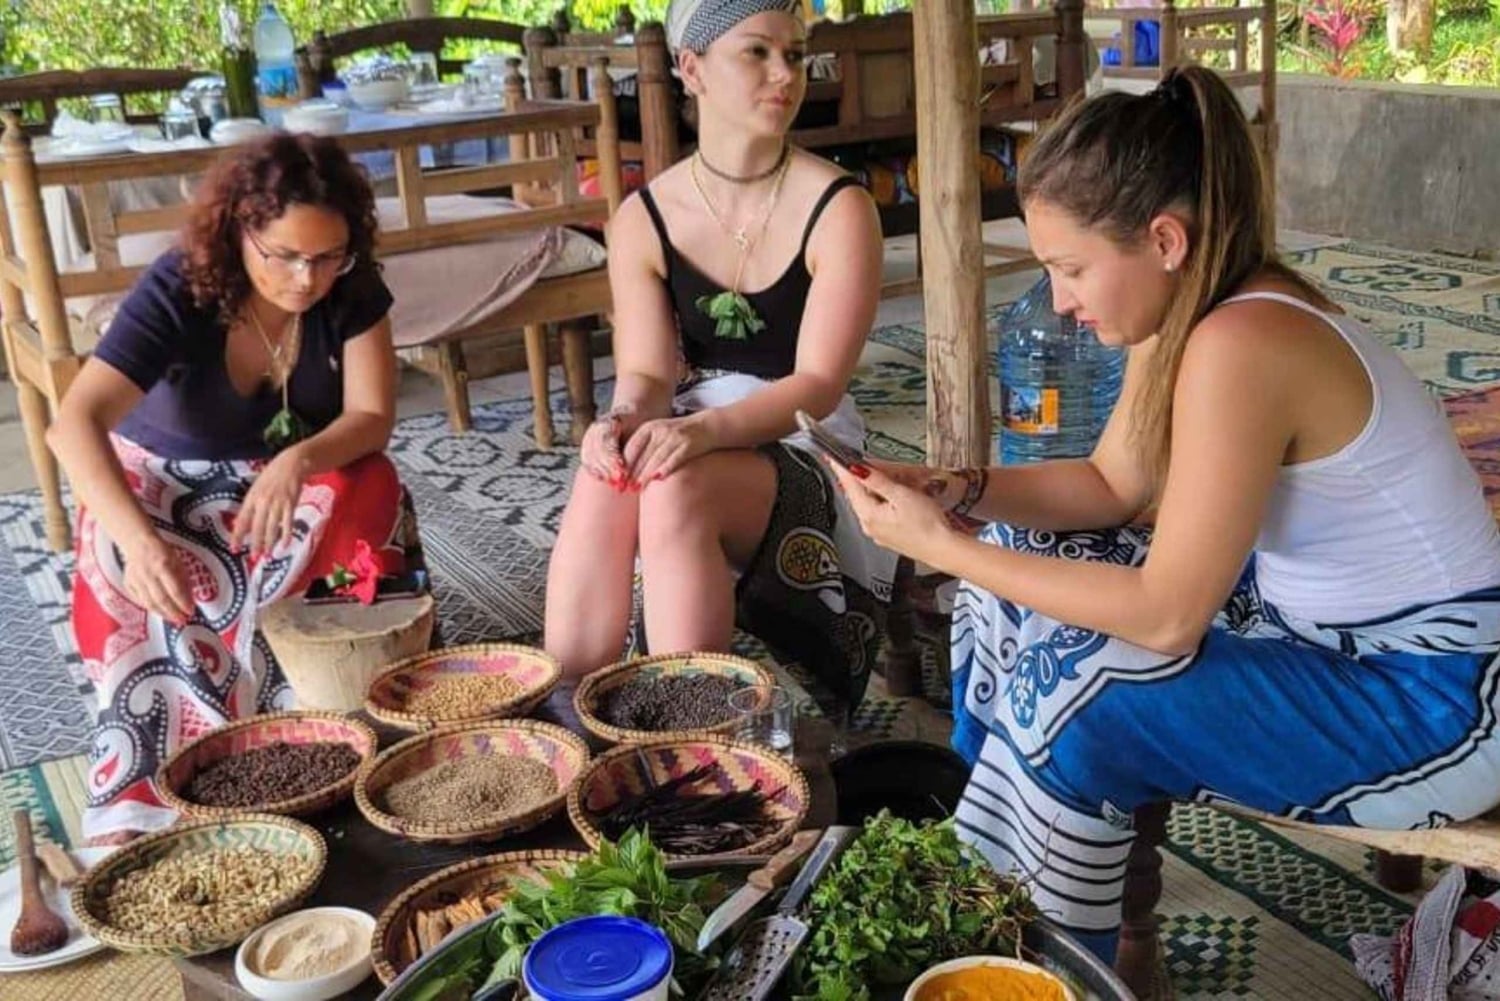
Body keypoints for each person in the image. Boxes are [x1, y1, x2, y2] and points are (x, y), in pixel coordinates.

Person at [828, 65, 1500, 963]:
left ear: (1165, 239)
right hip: (1321, 633)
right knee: (1023, 553)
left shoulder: (1243, 342)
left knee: (1084, 692)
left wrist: (940, 547)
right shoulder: (1195, 308)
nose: (1061, 299)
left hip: (1433, 698)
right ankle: (976, 867)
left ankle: (1036, 960)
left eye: (1070, 268)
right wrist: (957, 492)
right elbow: (1113, 485)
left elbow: (1169, 614)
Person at [49, 133, 419, 843]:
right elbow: (75, 424)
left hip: (285, 483)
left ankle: (325, 727)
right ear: (240, 230)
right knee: (124, 545)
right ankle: (156, 772)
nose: (307, 278)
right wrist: (138, 538)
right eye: (283, 255)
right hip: (169, 479)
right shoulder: (181, 285)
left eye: (326, 257)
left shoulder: (352, 285)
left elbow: (371, 417)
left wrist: (297, 461)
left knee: (370, 484)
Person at [543, 0, 891, 720]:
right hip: (697, 423)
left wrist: (695, 433)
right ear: (691, 68)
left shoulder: (840, 207)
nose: (784, 75)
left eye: (794, 54)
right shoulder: (645, 218)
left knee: (675, 485)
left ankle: (691, 726)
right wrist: (619, 421)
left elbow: (819, 385)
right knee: (609, 470)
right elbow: (646, 373)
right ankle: (563, 713)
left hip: (805, 441)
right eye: (757, 53)